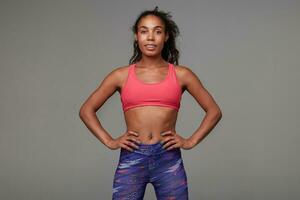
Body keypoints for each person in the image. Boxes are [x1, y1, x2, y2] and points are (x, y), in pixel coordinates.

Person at [79, 6, 222, 200]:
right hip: (132, 156)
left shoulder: (182, 75)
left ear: (166, 36)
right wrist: (110, 141)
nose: (151, 37)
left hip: (168, 157)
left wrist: (190, 141)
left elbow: (214, 111)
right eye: (144, 31)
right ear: (136, 37)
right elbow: (86, 110)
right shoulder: (120, 76)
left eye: (157, 31)